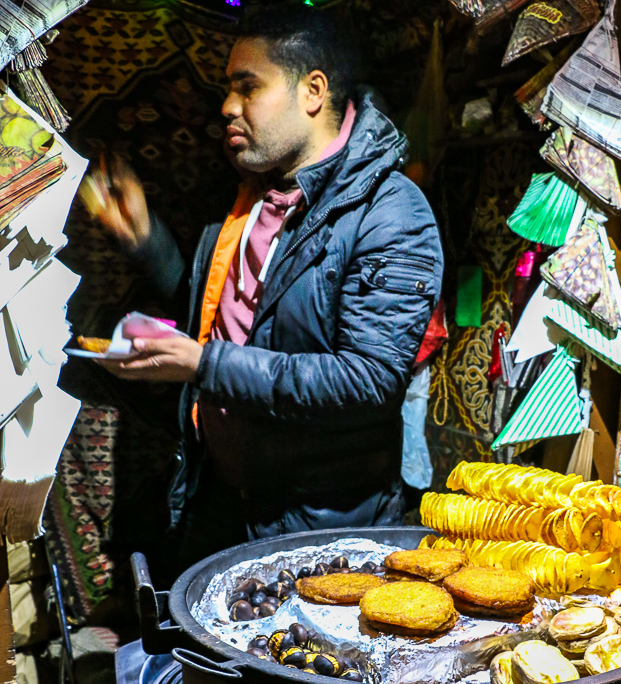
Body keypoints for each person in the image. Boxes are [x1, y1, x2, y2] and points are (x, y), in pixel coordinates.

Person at [91, 5, 444, 569]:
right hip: (222, 505)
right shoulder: (245, 197)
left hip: (319, 534)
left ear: (313, 91)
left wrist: (204, 366)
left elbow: (368, 381)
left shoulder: (390, 213)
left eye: (247, 87)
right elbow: (225, 319)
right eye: (227, 89)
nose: (227, 107)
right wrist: (147, 242)